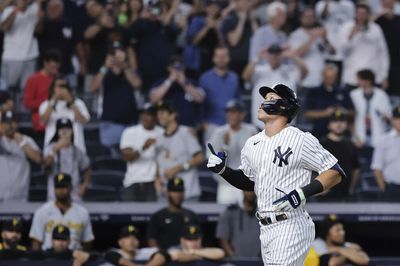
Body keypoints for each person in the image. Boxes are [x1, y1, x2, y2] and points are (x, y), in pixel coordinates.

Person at [207, 83, 345, 265]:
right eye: (264, 99)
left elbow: (335, 172)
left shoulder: (300, 139)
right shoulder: (252, 143)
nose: (263, 103)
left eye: (270, 99)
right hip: (265, 227)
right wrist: (223, 170)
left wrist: (302, 193)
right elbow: (250, 182)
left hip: (291, 224)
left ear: (285, 107)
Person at [242, 43, 307, 129]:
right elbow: (245, 76)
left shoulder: (290, 70)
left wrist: (293, 55)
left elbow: (305, 72)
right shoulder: (259, 70)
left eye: (277, 53)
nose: (274, 56)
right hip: (261, 125)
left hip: (284, 124)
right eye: (272, 53)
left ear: (282, 55)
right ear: (268, 55)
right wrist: (257, 57)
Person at [91, 43, 141, 149]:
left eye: (120, 52)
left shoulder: (130, 71)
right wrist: (105, 66)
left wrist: (125, 67)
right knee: (109, 161)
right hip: (110, 125)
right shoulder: (104, 72)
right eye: (114, 53)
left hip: (130, 125)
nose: (117, 56)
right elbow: (93, 88)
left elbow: (136, 83)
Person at [207, 99, 258, 204]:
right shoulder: (219, 132)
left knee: (248, 215)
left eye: (234, 112)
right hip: (225, 184)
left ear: (242, 114)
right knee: (225, 215)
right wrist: (224, 147)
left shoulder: (251, 131)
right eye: (228, 112)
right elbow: (211, 159)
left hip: (245, 183)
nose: (230, 115)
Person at [29, 172, 94, 251]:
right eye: (58, 187)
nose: (61, 190)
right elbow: (36, 243)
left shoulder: (83, 213)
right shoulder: (42, 211)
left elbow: (87, 242)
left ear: (71, 188)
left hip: (74, 258)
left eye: (64, 186)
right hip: (48, 258)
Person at [155, 101, 204, 200]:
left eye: (162, 113)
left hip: (187, 192)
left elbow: (200, 158)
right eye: (158, 113)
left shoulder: (186, 133)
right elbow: (158, 164)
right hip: (166, 194)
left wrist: (178, 168)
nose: (159, 116)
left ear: (173, 115)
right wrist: (156, 179)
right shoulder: (159, 138)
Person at [339, 3, 389, 89]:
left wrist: (384, 75)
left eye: (364, 14)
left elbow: (383, 53)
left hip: (372, 76)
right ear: (355, 14)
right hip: (352, 77)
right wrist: (351, 35)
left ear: (368, 15)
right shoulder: (346, 27)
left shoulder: (376, 28)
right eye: (359, 13)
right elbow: (342, 52)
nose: (361, 16)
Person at [120, 103, 163, 202]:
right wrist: (143, 148)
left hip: (153, 183)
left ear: (156, 117)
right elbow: (126, 156)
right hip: (132, 181)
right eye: (143, 114)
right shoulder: (130, 132)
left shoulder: (162, 133)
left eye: (149, 114)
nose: (145, 117)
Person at [149, 56, 205, 128]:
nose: (177, 70)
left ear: (184, 68)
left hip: (187, 127)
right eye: (174, 67)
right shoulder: (160, 82)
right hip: (164, 128)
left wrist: (184, 83)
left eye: (180, 67)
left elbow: (200, 99)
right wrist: (169, 81)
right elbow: (153, 99)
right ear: (169, 68)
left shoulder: (192, 82)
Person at [43, 118, 91, 201]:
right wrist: (55, 149)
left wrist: (84, 185)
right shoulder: (50, 148)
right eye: (61, 129)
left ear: (72, 131)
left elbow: (87, 169)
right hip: (54, 196)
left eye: (67, 129)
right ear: (57, 131)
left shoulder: (77, 150)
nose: (64, 132)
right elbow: (46, 166)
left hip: (74, 195)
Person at [199, 46, 240, 141]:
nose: (221, 59)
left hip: (231, 125)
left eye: (224, 56)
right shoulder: (204, 78)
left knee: (233, 155)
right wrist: (203, 123)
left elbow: (238, 102)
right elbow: (199, 103)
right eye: (218, 56)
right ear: (213, 58)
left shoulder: (234, 78)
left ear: (229, 58)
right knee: (212, 155)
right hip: (212, 124)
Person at [39, 77, 90, 152]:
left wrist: (71, 102)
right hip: (53, 149)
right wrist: (53, 101)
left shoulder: (78, 103)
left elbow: (84, 121)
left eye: (64, 86)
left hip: (76, 149)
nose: (61, 89)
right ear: (53, 88)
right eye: (58, 86)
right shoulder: (46, 104)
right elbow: (43, 121)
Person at [0, 0, 43, 91]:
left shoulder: (34, 9)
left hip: (30, 57)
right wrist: (16, 11)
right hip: (11, 57)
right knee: (7, 89)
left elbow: (39, 31)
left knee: (27, 89)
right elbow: (4, 28)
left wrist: (40, 17)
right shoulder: (9, 10)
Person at [147, 177, 199, 250]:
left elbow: (198, 239)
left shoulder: (191, 215)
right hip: (165, 257)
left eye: (180, 191)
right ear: (167, 193)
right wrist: (161, 255)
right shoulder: (158, 216)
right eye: (174, 191)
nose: (177, 195)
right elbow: (152, 240)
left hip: (187, 255)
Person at [0, 110, 42, 201]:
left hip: (20, 196)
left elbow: (38, 159)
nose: (10, 126)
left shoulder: (26, 140)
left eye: (13, 122)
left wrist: (22, 142)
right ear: (1, 125)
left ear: (17, 124)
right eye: (6, 123)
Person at [303, 64, 354, 139]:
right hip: (320, 134)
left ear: (336, 77)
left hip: (341, 136)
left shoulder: (343, 91)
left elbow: (353, 112)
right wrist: (325, 113)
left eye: (333, 76)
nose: (330, 79)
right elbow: (307, 113)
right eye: (328, 76)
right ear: (323, 76)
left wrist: (343, 111)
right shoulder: (313, 92)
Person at [288, 7, 333, 89]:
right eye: (306, 17)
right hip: (305, 81)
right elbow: (297, 54)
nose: (309, 19)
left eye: (311, 17)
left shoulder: (319, 33)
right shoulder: (296, 35)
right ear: (301, 19)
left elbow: (332, 52)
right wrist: (312, 38)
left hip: (321, 81)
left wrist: (325, 38)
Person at [320, 111, 360, 200]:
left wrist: (351, 188)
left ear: (346, 125)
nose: (338, 124)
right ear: (329, 125)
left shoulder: (350, 144)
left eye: (342, 121)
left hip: (345, 194)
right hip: (325, 195)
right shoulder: (320, 145)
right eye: (334, 121)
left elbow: (355, 168)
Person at [35, 0, 78, 78]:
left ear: (61, 10)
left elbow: (76, 43)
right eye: (50, 8)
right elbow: (37, 32)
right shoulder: (42, 23)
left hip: (65, 67)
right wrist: (40, 19)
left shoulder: (68, 24)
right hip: (45, 68)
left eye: (55, 8)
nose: (52, 10)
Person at [350, 69, 392, 148]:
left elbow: (389, 116)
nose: (357, 81)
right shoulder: (353, 94)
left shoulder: (382, 95)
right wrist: (356, 137)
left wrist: (384, 116)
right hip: (359, 137)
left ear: (368, 81)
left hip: (378, 136)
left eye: (360, 79)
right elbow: (350, 120)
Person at [23, 49, 61, 134]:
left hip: (59, 124)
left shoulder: (60, 79)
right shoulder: (33, 80)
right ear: (45, 63)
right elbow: (27, 103)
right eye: (53, 67)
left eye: (57, 67)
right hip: (42, 125)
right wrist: (49, 101)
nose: (55, 69)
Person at [183, 0, 222, 77]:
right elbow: (194, 41)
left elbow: (222, 42)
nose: (213, 10)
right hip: (198, 56)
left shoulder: (220, 22)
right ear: (207, 8)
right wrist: (207, 27)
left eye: (216, 8)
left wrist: (216, 28)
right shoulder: (197, 20)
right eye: (211, 7)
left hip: (212, 56)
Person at [216, 191, 260, 258]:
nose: (251, 193)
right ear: (243, 191)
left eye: (253, 190)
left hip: (259, 262)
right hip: (236, 262)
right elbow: (223, 239)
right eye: (248, 190)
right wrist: (234, 259)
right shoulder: (230, 211)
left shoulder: (263, 212)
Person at [220, 0, 258, 78]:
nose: (246, 4)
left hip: (250, 62)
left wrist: (253, 21)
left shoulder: (253, 19)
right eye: (242, 1)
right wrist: (241, 20)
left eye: (248, 1)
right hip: (235, 63)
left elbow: (258, 39)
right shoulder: (229, 19)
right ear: (236, 3)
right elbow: (234, 41)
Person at [371, 106, 400, 201]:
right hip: (392, 188)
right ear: (392, 120)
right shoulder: (384, 140)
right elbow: (377, 167)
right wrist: (384, 189)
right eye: (397, 118)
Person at [315, 0, 355, 65]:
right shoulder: (321, 4)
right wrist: (327, 3)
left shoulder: (349, 4)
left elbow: (352, 23)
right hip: (329, 45)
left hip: (345, 45)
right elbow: (321, 19)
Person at [375, 0, 400, 96]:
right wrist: (380, 14)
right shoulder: (377, 19)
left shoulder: (398, 19)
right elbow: (365, 24)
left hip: (396, 60)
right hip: (379, 60)